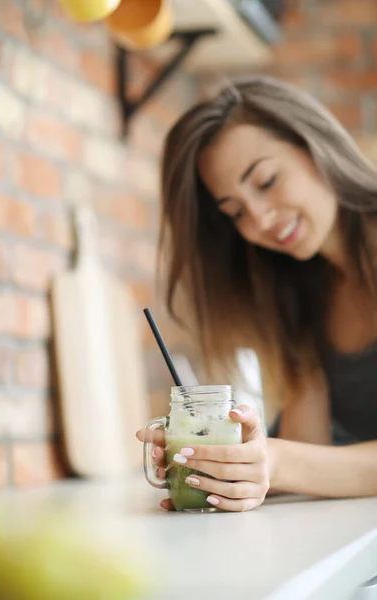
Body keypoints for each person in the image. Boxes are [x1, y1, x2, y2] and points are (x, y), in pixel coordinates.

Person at [136, 76, 377, 512]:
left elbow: (294, 461)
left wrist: (277, 462)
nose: (260, 221)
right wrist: (228, 469)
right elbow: (310, 450)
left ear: (314, 146)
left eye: (266, 181)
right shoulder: (301, 292)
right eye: (235, 212)